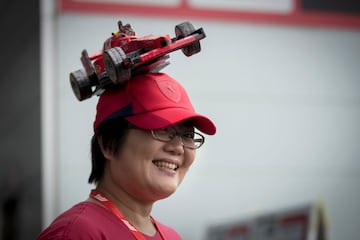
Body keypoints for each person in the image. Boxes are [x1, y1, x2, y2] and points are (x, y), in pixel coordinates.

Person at [37, 72, 216, 239]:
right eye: (160, 129)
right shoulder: (76, 233)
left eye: (188, 136)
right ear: (108, 143)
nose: (178, 148)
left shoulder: (171, 236)